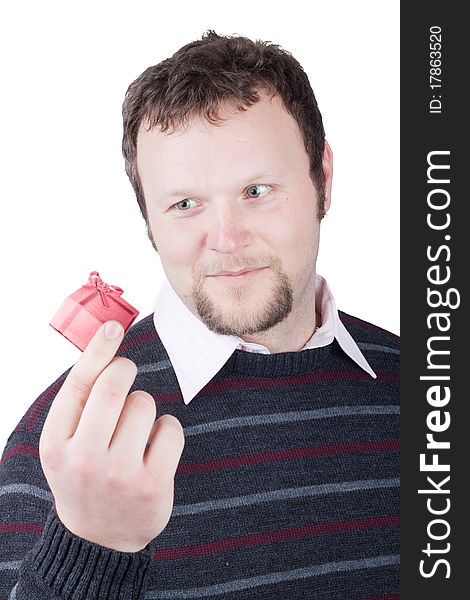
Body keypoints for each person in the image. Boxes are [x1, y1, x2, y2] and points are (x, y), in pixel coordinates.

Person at [0, 30, 399, 599]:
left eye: (257, 191)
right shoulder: (65, 447)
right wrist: (91, 546)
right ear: (149, 220)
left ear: (323, 180)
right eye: (185, 204)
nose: (227, 240)